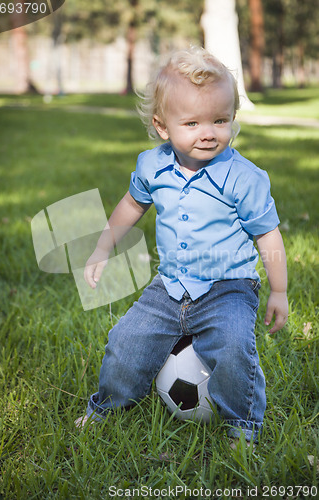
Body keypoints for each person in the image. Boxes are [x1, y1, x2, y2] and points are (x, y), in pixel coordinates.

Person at [75, 46, 288, 443]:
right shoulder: (152, 166)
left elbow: (268, 233)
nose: (208, 132)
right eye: (191, 122)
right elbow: (130, 206)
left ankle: (242, 424)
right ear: (162, 126)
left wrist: (279, 290)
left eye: (220, 120)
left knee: (233, 345)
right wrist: (102, 247)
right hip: (169, 286)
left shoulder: (244, 178)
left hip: (228, 287)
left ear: (232, 119)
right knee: (125, 341)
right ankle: (106, 405)